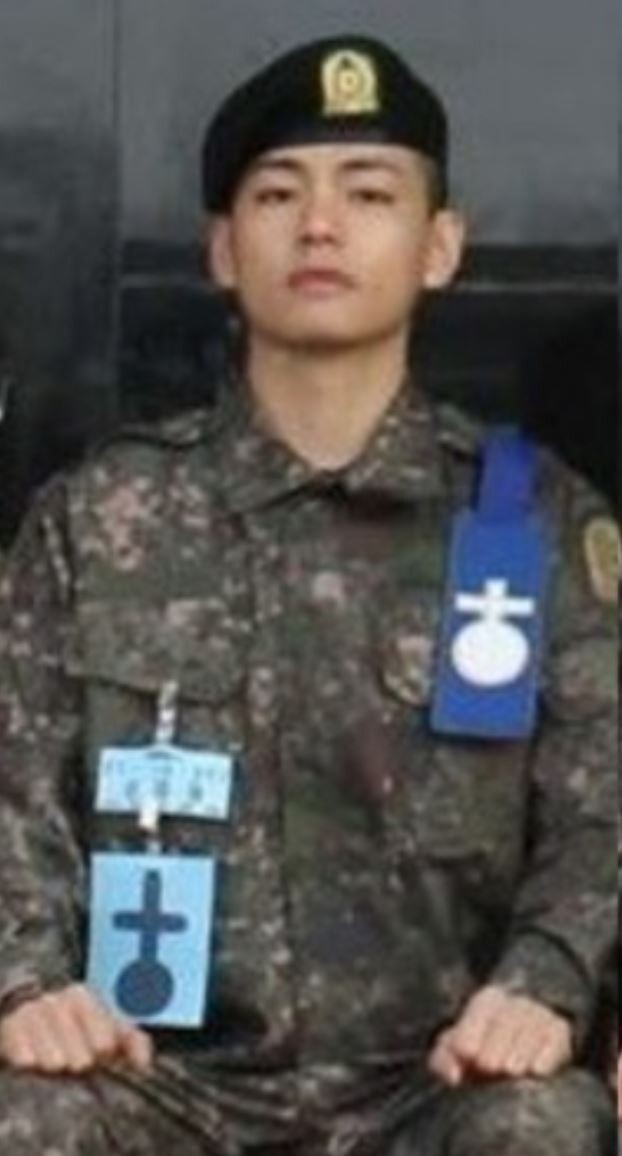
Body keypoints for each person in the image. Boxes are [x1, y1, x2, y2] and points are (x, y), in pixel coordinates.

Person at [0, 34, 617, 1156]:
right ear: (223, 249)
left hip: (434, 1082)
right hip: (155, 1084)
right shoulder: (100, 518)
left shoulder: (531, 523)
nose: (320, 225)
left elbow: (602, 809)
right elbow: (11, 788)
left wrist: (545, 981)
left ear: (440, 246)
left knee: (542, 1126)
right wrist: (27, 982)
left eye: (368, 193)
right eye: (278, 194)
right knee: (23, 1117)